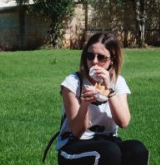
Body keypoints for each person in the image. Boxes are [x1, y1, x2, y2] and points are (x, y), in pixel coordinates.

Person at [56, 32, 149, 165]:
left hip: (107, 141)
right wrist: (85, 103)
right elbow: (76, 132)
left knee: (137, 149)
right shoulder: (73, 83)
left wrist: (109, 89)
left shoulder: (118, 82)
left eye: (101, 58)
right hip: (73, 147)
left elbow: (123, 122)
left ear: (111, 60)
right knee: (109, 151)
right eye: (90, 56)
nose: (94, 61)